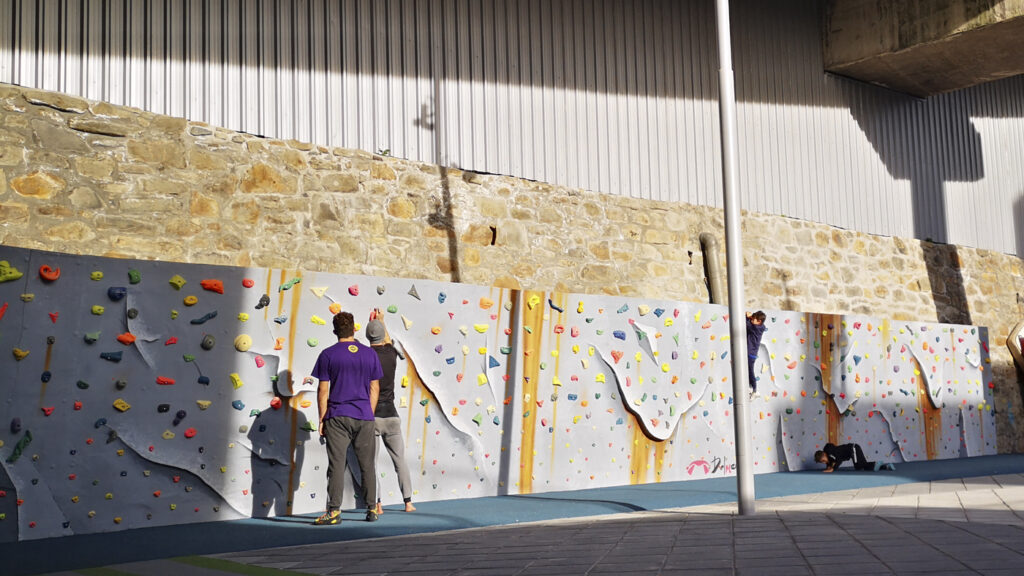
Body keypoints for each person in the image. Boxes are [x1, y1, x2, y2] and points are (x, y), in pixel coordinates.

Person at [311, 311, 382, 525]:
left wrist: (322, 419)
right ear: (354, 329)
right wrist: (367, 412)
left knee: (336, 465)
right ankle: (372, 509)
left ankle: (334, 512)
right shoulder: (370, 355)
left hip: (337, 416)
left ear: (334, 331)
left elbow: (323, 391)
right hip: (363, 415)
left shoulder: (327, 354)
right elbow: (375, 387)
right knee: (367, 465)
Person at [365, 310, 416, 514]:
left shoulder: (366, 357)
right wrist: (382, 322)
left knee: (372, 462)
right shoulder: (391, 353)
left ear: (368, 337)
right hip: (392, 415)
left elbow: (377, 341)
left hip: (374, 416)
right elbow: (385, 340)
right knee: (400, 461)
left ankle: (378, 504)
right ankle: (408, 502)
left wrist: (376, 324)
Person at [814, 442, 895, 472]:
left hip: (853, 449)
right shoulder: (829, 456)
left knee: (859, 466)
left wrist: (832, 468)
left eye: (823, 460)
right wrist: (828, 467)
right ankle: (885, 467)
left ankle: (876, 463)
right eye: (822, 462)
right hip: (853, 450)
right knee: (862, 466)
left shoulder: (830, 452)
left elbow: (839, 459)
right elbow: (831, 461)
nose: (824, 462)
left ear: (824, 454)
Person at [746, 311, 767, 396]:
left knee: (750, 371)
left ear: (759, 321)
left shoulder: (756, 328)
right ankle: (751, 387)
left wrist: (747, 317)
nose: (752, 320)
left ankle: (754, 390)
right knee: (748, 371)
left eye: (753, 319)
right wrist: (751, 317)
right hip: (751, 353)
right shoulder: (759, 326)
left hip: (751, 353)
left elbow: (746, 324)